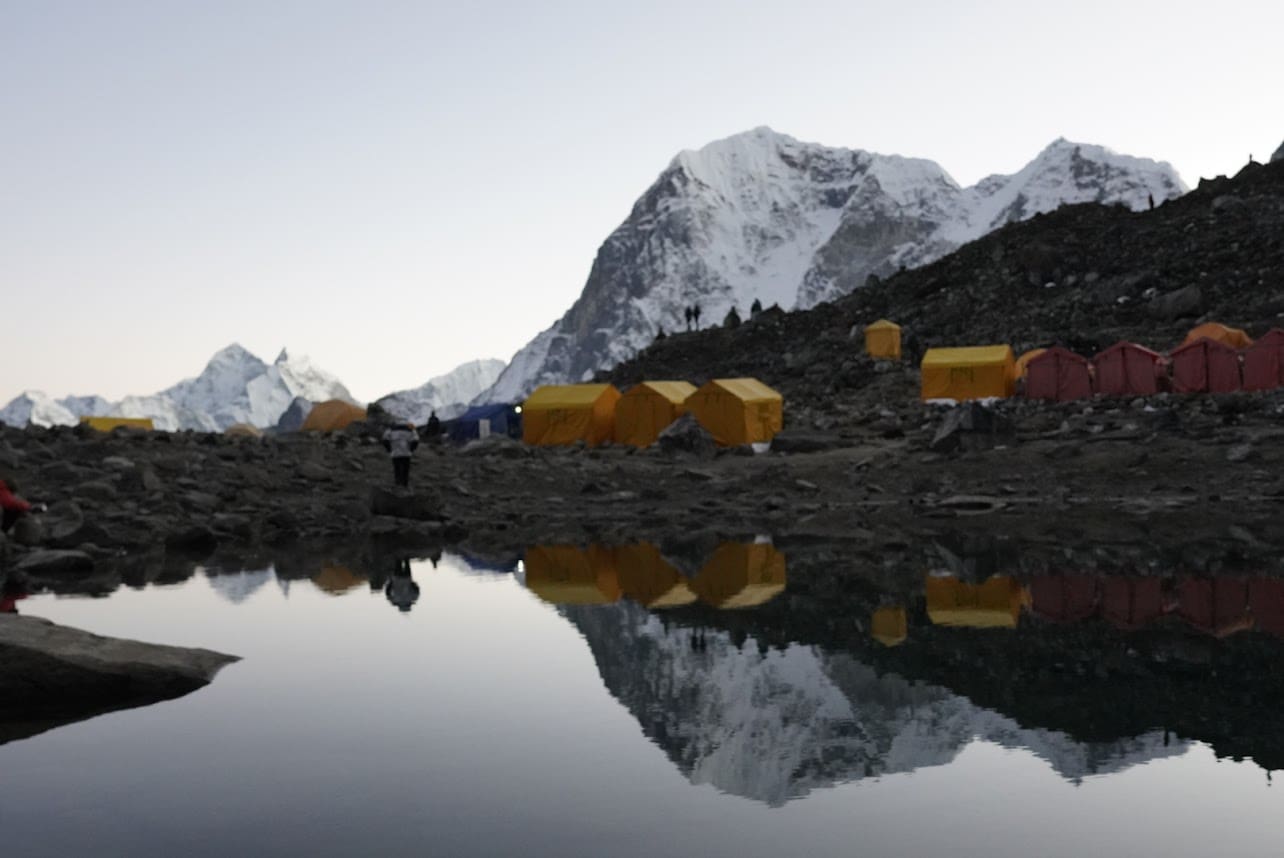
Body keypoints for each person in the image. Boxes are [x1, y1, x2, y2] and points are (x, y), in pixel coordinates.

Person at [381, 422, 419, 488]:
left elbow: (385, 439)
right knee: (406, 470)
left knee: (397, 469)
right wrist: (411, 450)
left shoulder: (390, 429)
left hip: (395, 453)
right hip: (406, 453)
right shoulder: (411, 430)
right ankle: (405, 484)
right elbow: (416, 440)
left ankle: (397, 483)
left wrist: (389, 450)